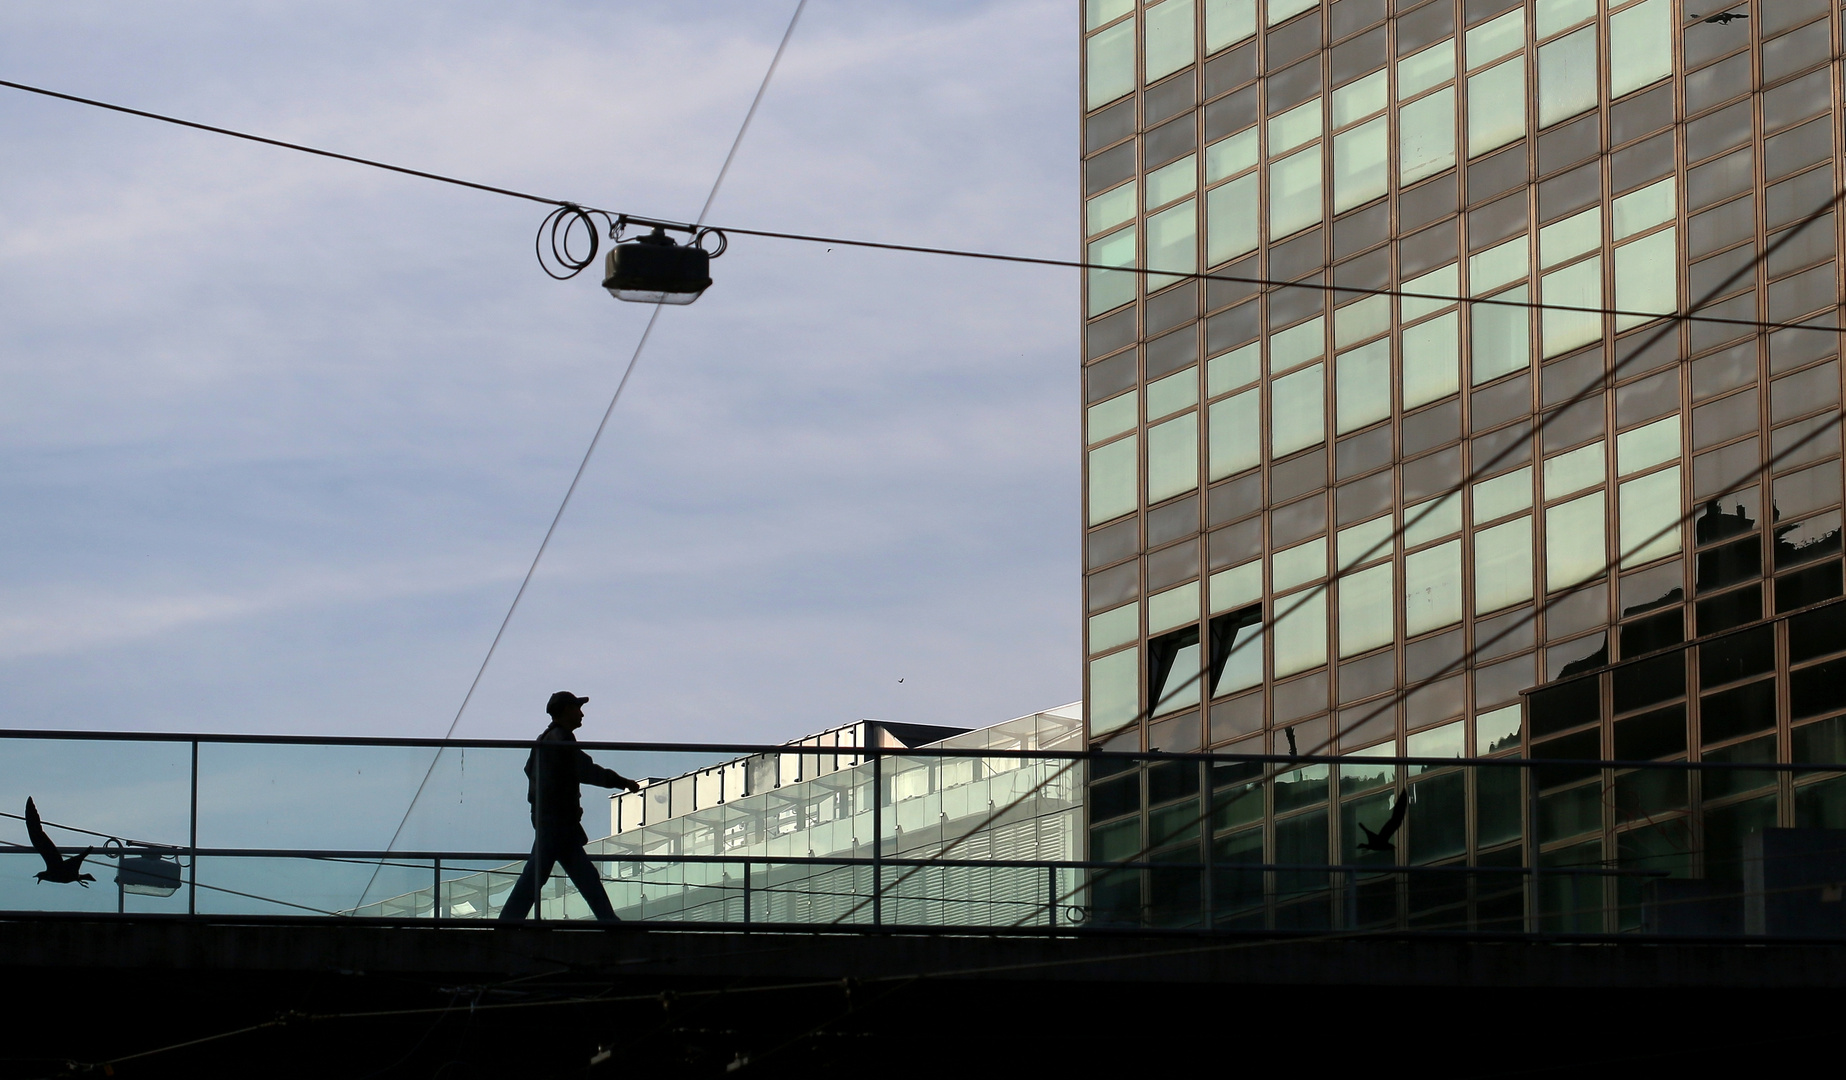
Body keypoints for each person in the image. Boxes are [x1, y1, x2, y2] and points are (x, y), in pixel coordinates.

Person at [497, 691, 640, 923]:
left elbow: (531, 772)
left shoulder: (544, 740)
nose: (581, 713)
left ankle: (607, 920)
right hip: (558, 823)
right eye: (577, 707)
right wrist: (622, 782)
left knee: (564, 875)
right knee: (547, 875)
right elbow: (586, 769)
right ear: (566, 710)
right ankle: (507, 923)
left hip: (552, 822)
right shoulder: (560, 739)